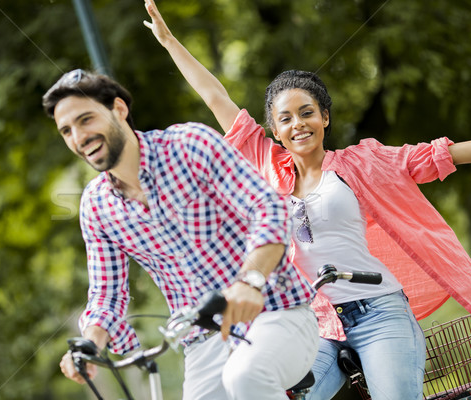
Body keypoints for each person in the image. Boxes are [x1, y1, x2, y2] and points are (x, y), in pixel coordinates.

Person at [143, 1, 471, 399]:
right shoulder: (266, 165)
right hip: (316, 325)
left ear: (324, 117)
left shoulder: (361, 163)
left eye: (306, 113)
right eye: (286, 118)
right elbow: (215, 97)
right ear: (274, 129)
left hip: (379, 311)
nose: (298, 124)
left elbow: (432, 154)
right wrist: (169, 42)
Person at [42, 68, 320, 400]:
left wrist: (250, 281)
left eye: (86, 119)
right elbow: (107, 294)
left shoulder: (189, 145)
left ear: (118, 109)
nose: (78, 136)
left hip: (275, 311)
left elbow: (267, 208)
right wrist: (91, 343)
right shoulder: (96, 206)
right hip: (204, 341)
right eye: (66, 131)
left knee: (245, 376)